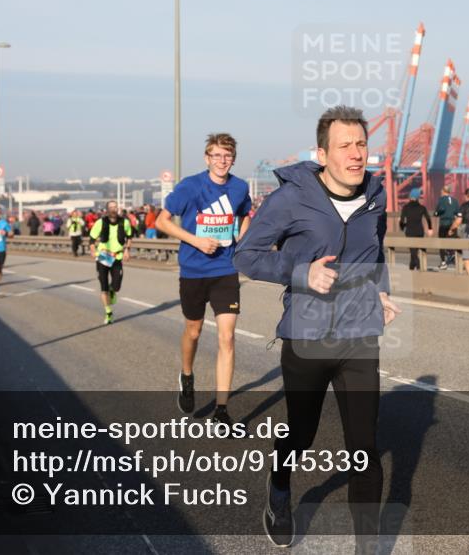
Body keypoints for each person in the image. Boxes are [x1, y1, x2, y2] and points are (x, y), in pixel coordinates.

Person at [233, 106, 400, 549]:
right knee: (300, 435)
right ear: (322, 154)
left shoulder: (376, 195)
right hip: (306, 338)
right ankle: (279, 490)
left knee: (364, 447)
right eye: (345, 145)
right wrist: (301, 272)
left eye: (362, 143)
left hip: (359, 336)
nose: (357, 153)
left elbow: (373, 251)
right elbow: (246, 255)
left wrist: (380, 291)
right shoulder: (291, 198)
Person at [156, 133, 252, 432]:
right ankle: (186, 375)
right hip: (194, 271)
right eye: (216, 155)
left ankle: (221, 410)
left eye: (227, 156)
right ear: (207, 158)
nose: (222, 161)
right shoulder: (190, 186)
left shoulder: (239, 187)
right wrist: (195, 240)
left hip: (225, 270)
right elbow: (162, 221)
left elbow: (245, 214)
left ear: (233, 158)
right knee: (194, 331)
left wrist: (241, 238)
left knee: (227, 338)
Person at [89, 201, 132, 324]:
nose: (113, 209)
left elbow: (129, 237)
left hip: (117, 256)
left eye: (115, 207)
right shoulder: (101, 222)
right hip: (104, 256)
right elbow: (92, 239)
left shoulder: (125, 222)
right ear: (107, 209)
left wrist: (127, 251)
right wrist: (92, 250)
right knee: (104, 287)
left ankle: (113, 290)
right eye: (111, 207)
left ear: (118, 209)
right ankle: (108, 313)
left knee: (117, 285)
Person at [398, 189, 432, 270]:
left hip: (410, 232)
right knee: (414, 252)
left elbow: (402, 221)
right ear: (418, 197)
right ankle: (412, 268)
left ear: (410, 197)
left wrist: (402, 227)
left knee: (413, 251)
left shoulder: (405, 208)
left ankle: (418, 266)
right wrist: (430, 228)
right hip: (419, 232)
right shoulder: (422, 208)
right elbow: (428, 218)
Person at [434, 185, 460, 269]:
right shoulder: (455, 200)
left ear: (443, 191)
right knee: (452, 241)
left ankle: (443, 263)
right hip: (452, 224)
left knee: (441, 243)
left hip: (444, 224)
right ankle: (452, 254)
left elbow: (441, 209)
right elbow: (458, 213)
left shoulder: (441, 200)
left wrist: (436, 213)